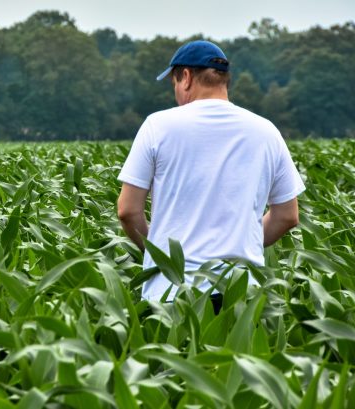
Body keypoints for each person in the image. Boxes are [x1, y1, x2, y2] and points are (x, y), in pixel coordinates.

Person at [116, 40, 305, 305]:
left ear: (185, 77)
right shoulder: (266, 131)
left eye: (173, 84)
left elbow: (127, 210)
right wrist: (239, 244)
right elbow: (287, 215)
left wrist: (159, 255)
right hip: (242, 294)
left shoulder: (157, 126)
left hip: (173, 292)